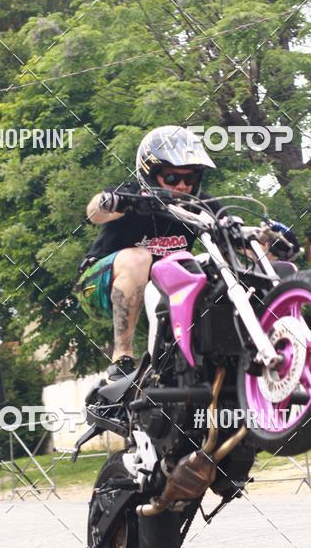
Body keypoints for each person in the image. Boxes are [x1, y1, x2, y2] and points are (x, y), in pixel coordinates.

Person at [75, 126, 219, 381]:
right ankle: (122, 357)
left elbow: (237, 233)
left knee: (208, 271)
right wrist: (118, 202)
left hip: (154, 296)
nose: (183, 186)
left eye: (191, 178)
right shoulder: (133, 194)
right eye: (173, 179)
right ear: (152, 175)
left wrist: (268, 239)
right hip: (97, 288)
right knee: (139, 258)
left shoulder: (201, 206)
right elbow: (94, 212)